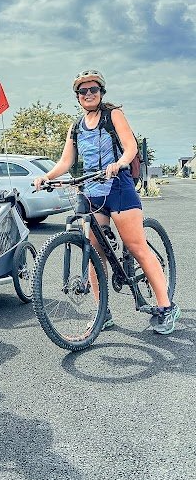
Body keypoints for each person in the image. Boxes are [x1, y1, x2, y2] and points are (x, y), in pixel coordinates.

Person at [34, 70, 180, 335]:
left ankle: (166, 307)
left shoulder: (113, 115)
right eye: (83, 91)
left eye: (93, 90)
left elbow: (130, 147)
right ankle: (104, 313)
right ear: (77, 96)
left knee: (136, 246)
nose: (88, 94)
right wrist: (46, 177)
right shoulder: (76, 126)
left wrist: (121, 162)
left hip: (119, 186)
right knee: (94, 252)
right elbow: (66, 162)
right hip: (93, 189)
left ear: (101, 92)